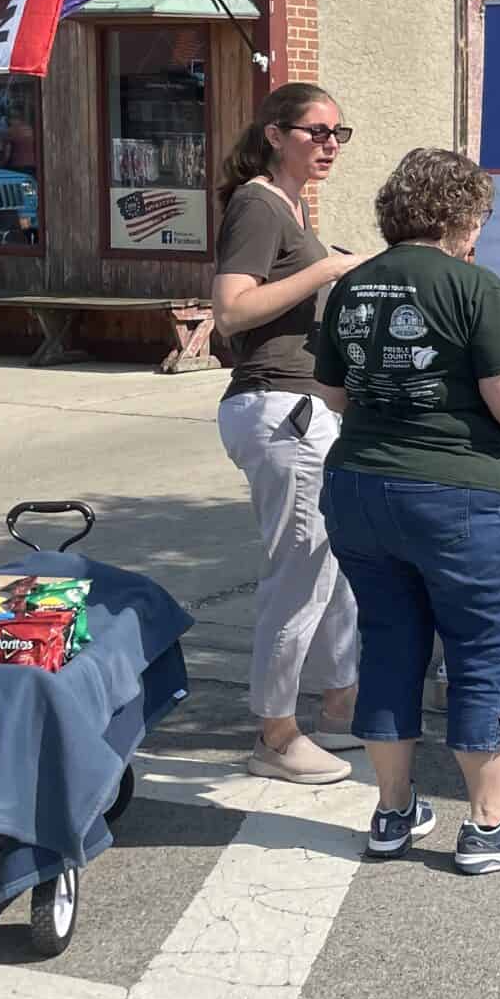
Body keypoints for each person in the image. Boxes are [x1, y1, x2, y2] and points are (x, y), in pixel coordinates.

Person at [316, 148, 500, 871]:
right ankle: (490, 825)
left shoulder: (354, 284)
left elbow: (335, 395)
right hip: (455, 495)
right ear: (462, 217)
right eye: (479, 219)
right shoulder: (474, 287)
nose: (480, 233)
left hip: (359, 487)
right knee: (481, 649)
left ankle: (393, 811)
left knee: (390, 641)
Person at [211, 82, 360, 786]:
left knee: (334, 567)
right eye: (315, 131)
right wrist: (329, 268)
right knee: (298, 576)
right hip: (278, 408)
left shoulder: (293, 207)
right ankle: (275, 733)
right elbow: (232, 312)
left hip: (306, 409)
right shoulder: (258, 203)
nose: (329, 144)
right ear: (275, 134)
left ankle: (340, 707)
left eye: (338, 133)